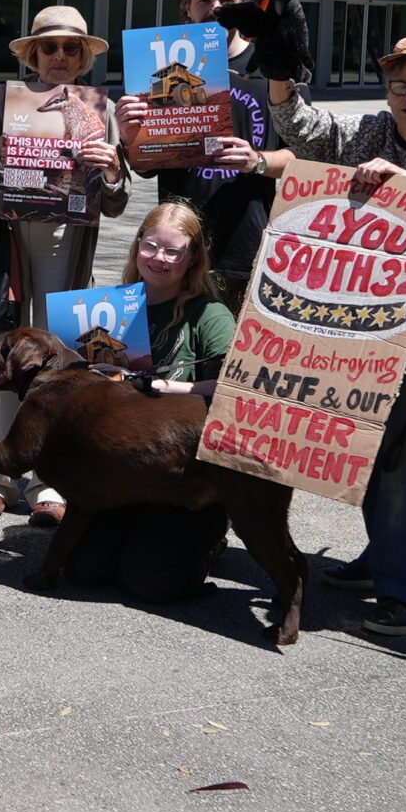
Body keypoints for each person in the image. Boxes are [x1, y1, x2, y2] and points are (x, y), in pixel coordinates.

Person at [227, 30, 406, 636]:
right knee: (371, 449)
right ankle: (383, 560)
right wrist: (280, 77)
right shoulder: (370, 130)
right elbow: (306, 132)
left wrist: (400, 184)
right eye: (400, 83)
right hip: (354, 323)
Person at [0, 2, 129, 521]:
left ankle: (49, 483)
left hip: (69, 245)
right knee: (5, 357)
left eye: (71, 48)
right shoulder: (6, 99)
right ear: (33, 53)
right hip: (11, 247)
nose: (60, 55)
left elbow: (116, 201)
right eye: (49, 46)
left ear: (83, 56)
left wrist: (111, 170)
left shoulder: (99, 108)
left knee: (60, 363)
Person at [62, 202, 237, 604]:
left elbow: (236, 386)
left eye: (173, 251)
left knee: (153, 583)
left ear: (193, 257)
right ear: (137, 245)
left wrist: (161, 387)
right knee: (84, 569)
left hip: (182, 475)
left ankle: (210, 537)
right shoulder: (110, 307)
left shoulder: (209, 314)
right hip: (122, 468)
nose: (159, 258)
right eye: (151, 246)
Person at [115, 0, 282, 307]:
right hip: (176, 250)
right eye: (203, 0)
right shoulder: (163, 66)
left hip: (245, 247)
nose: (215, 9)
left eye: (226, 0)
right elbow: (145, 167)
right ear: (188, 8)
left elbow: (302, 158)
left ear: (244, 5)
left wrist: (258, 160)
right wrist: (131, 137)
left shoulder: (272, 68)